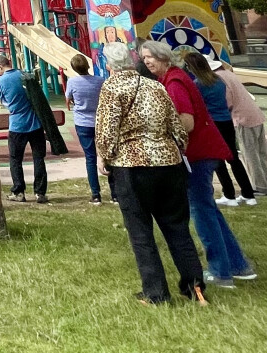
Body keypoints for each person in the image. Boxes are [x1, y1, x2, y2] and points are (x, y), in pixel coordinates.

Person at [95, 42, 206, 305]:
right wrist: (176, 149)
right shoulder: (156, 85)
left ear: (108, 65)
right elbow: (177, 128)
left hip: (132, 167)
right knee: (177, 227)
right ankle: (195, 285)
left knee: (141, 231)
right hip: (169, 164)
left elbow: (106, 130)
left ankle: (155, 293)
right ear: (135, 61)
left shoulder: (111, 88)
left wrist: (105, 157)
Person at [141, 40, 255, 290]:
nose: (147, 61)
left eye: (150, 57)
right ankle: (237, 265)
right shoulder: (174, 79)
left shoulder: (174, 82)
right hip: (203, 151)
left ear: (163, 57)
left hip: (196, 154)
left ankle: (220, 271)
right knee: (208, 209)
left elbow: (187, 122)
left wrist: (163, 135)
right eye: (144, 58)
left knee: (201, 211)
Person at [181, 50, 256, 206]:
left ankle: (229, 194)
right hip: (226, 121)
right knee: (233, 157)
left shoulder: (198, 85)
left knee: (217, 159)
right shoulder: (219, 81)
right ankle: (248, 194)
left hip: (212, 123)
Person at [216, 59, 267, 196]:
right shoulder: (229, 73)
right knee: (260, 153)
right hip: (256, 115)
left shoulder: (219, 78)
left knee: (250, 154)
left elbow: (228, 101)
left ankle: (260, 186)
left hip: (242, 118)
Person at [0, 53, 48, 204]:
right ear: (9, 62)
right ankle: (40, 192)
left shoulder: (1, 81)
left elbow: (4, 100)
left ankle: (19, 191)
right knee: (39, 158)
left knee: (15, 159)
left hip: (17, 124)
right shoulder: (26, 75)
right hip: (35, 122)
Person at [64, 53, 107, 205]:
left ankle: (96, 194)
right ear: (88, 66)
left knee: (90, 158)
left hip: (82, 121)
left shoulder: (72, 82)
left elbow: (68, 98)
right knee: (107, 155)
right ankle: (115, 193)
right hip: (100, 121)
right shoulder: (100, 81)